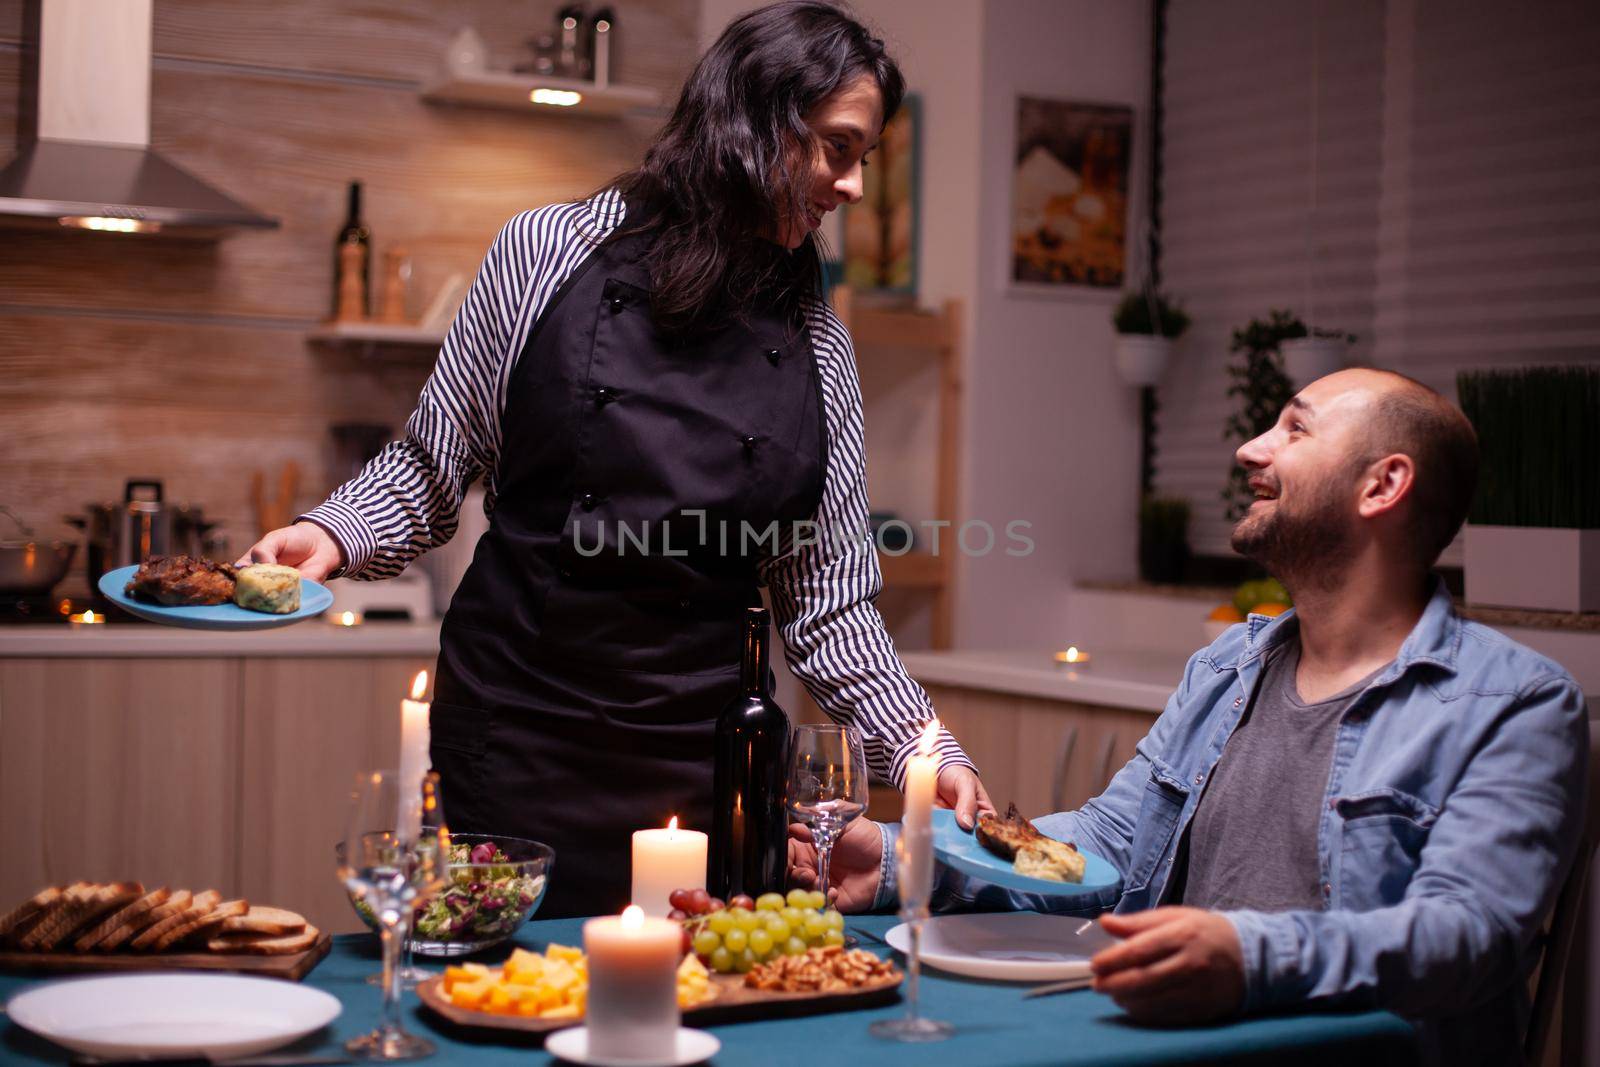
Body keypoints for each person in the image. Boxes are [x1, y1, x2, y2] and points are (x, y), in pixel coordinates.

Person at [244, 2, 991, 917]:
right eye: (839, 149)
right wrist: (330, 531)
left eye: (863, 158)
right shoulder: (546, 253)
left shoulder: (819, 349)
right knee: (513, 1010)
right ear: (755, 124)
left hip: (710, 765)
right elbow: (432, 463)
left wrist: (926, 750)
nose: (854, 189)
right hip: (519, 740)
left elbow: (829, 606)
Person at [793, 369, 1588, 1065]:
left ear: (1382, 485)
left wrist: (1248, 955)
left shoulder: (1516, 703)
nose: (1250, 447)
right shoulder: (1228, 667)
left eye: (1294, 427)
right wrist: (907, 862)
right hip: (1162, 1047)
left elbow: (1465, 936)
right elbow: (1104, 848)